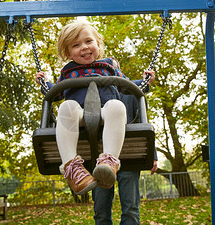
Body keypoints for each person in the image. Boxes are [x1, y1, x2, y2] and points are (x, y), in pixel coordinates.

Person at [35, 20, 155, 196]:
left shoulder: (108, 66)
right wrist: (45, 83)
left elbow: (127, 86)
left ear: (98, 44)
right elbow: (55, 94)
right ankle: (72, 168)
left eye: (88, 41)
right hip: (79, 116)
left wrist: (144, 83)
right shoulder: (67, 71)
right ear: (68, 53)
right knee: (67, 106)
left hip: (106, 112)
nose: (84, 47)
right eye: (76, 45)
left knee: (117, 105)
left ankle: (108, 161)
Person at [92, 58, 158, 225]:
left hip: (129, 154)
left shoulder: (130, 91)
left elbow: (143, 122)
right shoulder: (94, 92)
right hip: (102, 157)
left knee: (130, 209)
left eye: (111, 64)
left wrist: (153, 155)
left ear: (118, 71)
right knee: (100, 210)